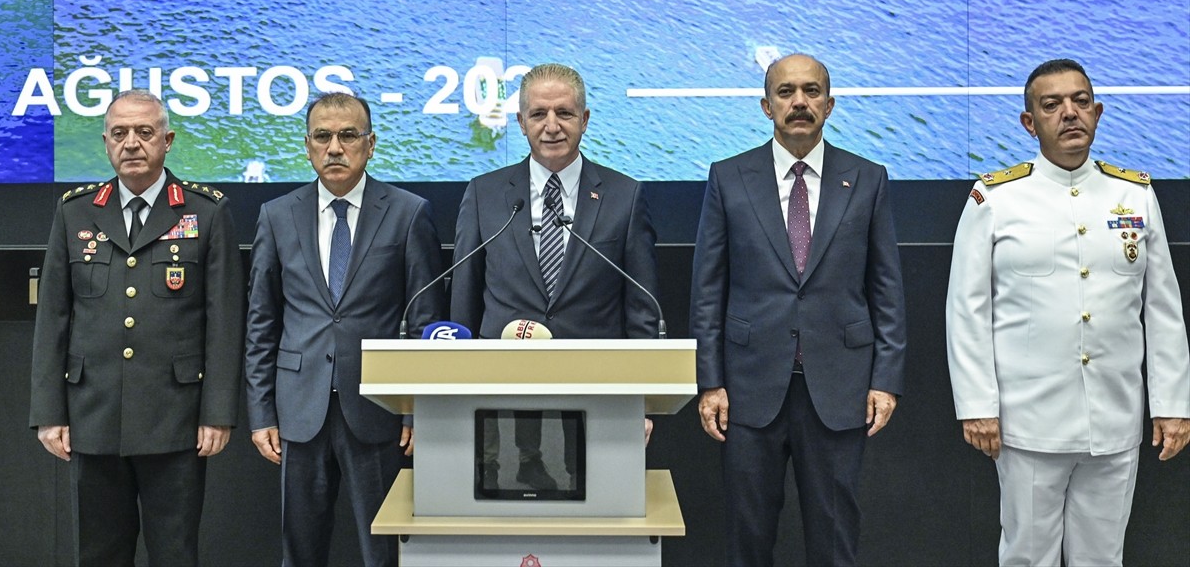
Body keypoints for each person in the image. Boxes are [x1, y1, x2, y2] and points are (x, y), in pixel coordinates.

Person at [946, 58, 1190, 566]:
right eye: (1051, 104)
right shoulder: (995, 198)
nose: (1069, 113)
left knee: (1103, 558)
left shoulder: (1135, 194)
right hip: (1028, 420)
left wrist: (1171, 403)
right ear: (1029, 122)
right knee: (1027, 556)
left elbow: (1163, 308)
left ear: (1097, 113)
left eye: (1080, 101)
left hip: (1115, 416)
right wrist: (976, 404)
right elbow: (967, 309)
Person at [690, 53, 907, 567]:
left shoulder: (868, 178)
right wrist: (710, 382)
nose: (799, 102)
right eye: (786, 92)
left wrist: (886, 380)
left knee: (834, 542)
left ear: (829, 105)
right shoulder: (729, 177)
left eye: (812, 91)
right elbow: (707, 291)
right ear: (767, 106)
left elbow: (886, 289)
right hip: (748, 387)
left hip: (839, 386)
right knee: (748, 539)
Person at [29, 89, 244, 566]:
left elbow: (224, 322)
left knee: (175, 554)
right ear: (105, 142)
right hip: (94, 418)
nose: (131, 143)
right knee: (99, 554)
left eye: (145, 132)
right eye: (120, 133)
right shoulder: (75, 211)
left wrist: (218, 412)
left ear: (168, 140)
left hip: (176, 419)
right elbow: (53, 318)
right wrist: (49, 411)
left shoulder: (205, 212)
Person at [245, 92, 444, 567]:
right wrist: (261, 412)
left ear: (370, 144)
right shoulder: (277, 215)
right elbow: (261, 322)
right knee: (301, 552)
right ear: (307, 146)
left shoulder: (408, 212)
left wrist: (418, 410)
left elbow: (426, 322)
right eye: (322, 136)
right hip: (298, 409)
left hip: (378, 410)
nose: (335, 148)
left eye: (348, 135)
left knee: (385, 551)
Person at [450, 62, 659, 489]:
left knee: (595, 507)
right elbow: (463, 301)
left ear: (584, 119)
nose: (551, 126)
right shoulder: (484, 193)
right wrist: (455, 393)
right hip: (499, 393)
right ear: (520, 122)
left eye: (564, 113)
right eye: (538, 114)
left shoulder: (625, 196)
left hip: (597, 390)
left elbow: (642, 308)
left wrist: (644, 400)